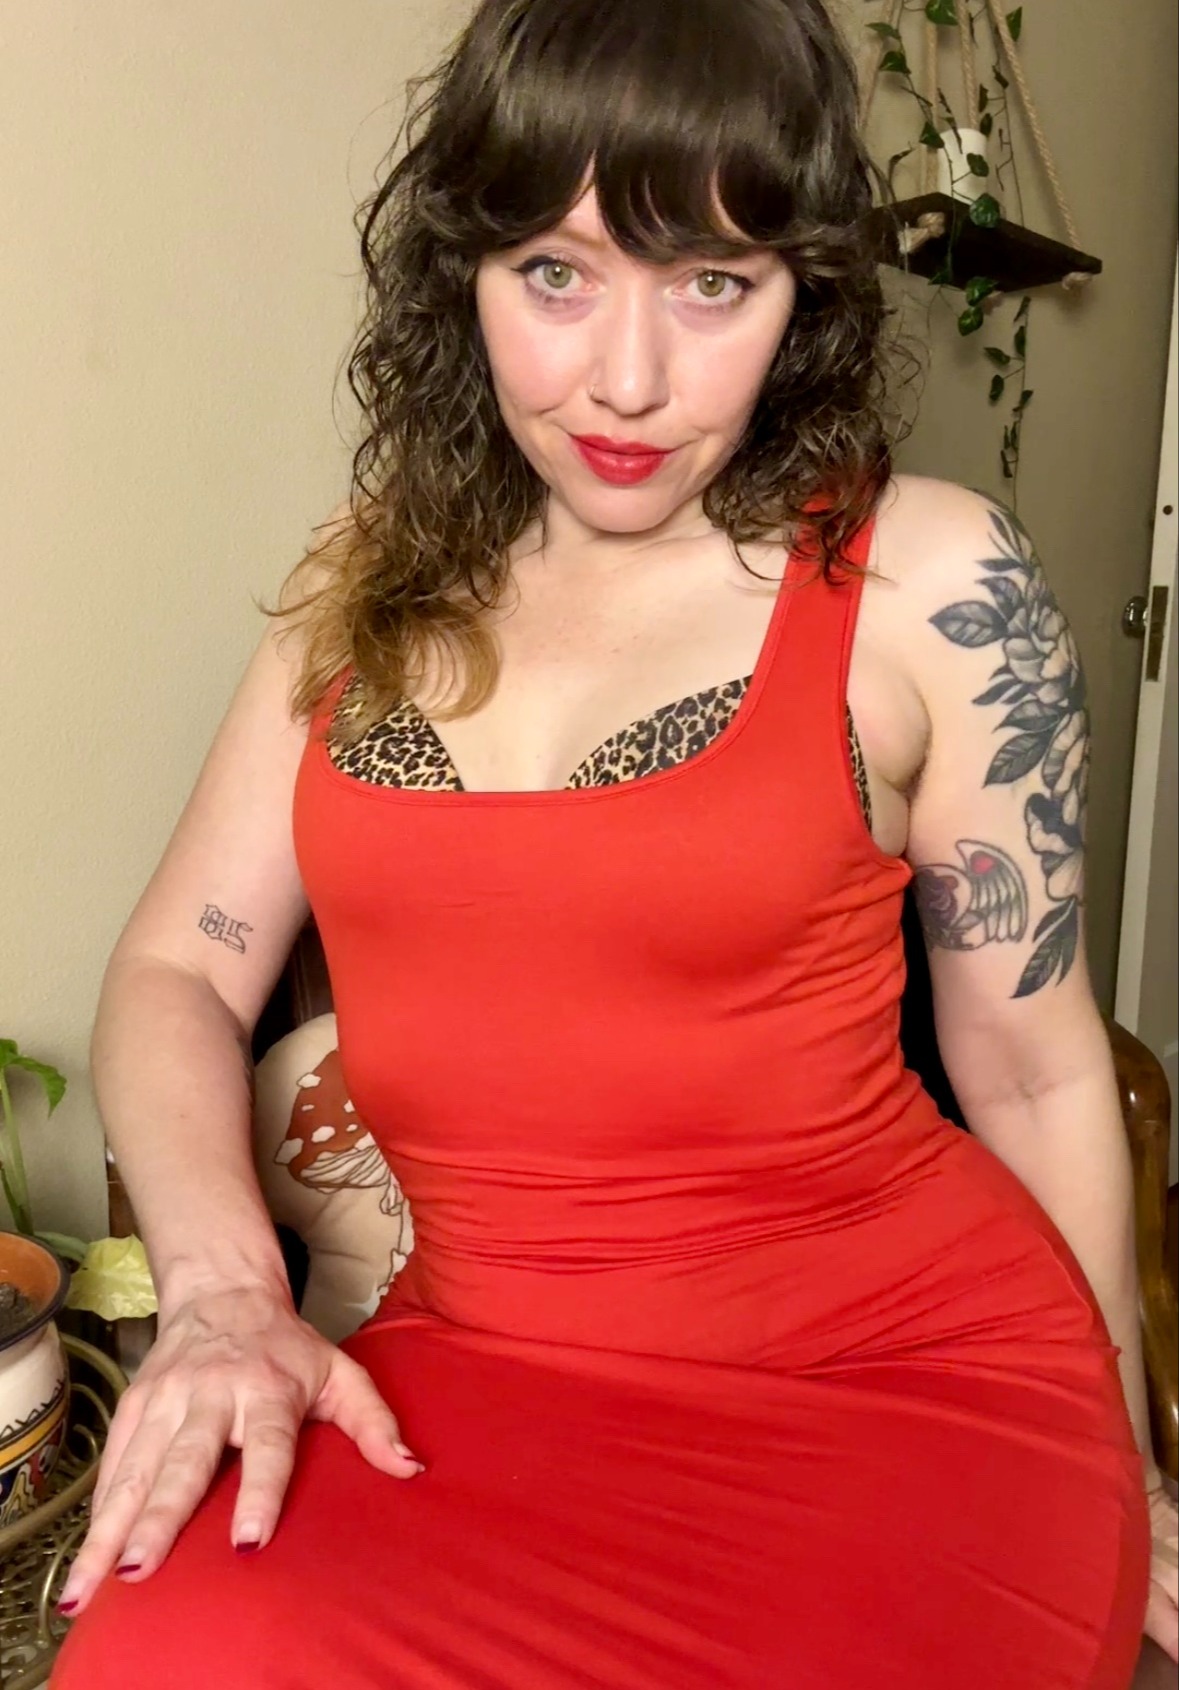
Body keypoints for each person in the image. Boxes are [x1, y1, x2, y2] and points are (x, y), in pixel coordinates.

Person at [51, 1, 1178, 1685]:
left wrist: (1127, 1463)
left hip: (904, 1388)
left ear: (804, 292)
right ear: (463, 269)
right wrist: (225, 1291)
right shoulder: (360, 585)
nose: (628, 381)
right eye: (556, 273)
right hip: (469, 1382)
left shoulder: (928, 580)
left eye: (713, 282)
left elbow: (1033, 1069)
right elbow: (177, 970)